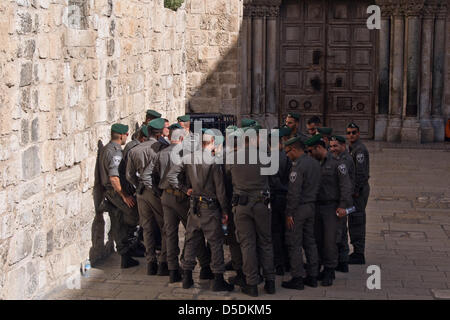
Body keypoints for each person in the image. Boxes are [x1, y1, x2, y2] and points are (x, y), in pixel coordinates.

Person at [142, 127, 212, 283]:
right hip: (182, 197)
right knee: (194, 232)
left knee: (170, 233)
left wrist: (158, 192)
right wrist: (185, 189)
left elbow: (146, 176)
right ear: (181, 139)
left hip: (166, 198)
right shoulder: (184, 154)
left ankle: (172, 269)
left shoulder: (159, 154)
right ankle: (205, 267)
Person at [170, 130, 234, 292]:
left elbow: (172, 176)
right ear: (212, 141)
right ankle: (218, 279)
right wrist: (225, 209)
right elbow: (220, 189)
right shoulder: (213, 162)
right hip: (210, 207)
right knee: (215, 242)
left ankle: (187, 277)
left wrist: (185, 189)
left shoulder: (188, 158)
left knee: (191, 241)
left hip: (194, 206)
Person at [225, 127, 276, 297]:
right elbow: (273, 177)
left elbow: (228, 176)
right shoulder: (265, 157)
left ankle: (251, 283)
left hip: (241, 204)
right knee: (266, 242)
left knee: (247, 245)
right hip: (262, 204)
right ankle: (270, 282)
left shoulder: (232, 158)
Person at [306, 134, 353, 286]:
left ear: (319, 148)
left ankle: (329, 270)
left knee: (330, 241)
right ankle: (320, 266)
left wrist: (343, 206)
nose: (310, 154)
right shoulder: (314, 163)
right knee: (318, 239)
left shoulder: (337, 164)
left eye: (312, 150)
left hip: (332, 207)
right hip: (317, 206)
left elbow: (345, 186)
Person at [126, 118, 167, 276]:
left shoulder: (134, 150)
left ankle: (151, 263)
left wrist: (139, 185)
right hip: (156, 191)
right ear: (158, 134)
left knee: (147, 228)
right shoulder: (161, 148)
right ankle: (163, 261)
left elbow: (129, 175)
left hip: (141, 193)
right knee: (164, 227)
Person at [281, 136, 321, 290]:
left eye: (287, 152)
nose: (286, 155)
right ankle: (312, 275)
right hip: (311, 206)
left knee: (294, 243)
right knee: (310, 241)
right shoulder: (314, 163)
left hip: (298, 209)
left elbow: (293, 193)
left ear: (294, 150)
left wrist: (289, 213)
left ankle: (297, 277)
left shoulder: (298, 167)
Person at [98, 123, 139, 268]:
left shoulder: (106, 149)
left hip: (111, 192)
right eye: (127, 134)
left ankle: (127, 252)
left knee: (120, 220)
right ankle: (126, 250)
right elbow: (114, 177)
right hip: (115, 192)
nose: (127, 137)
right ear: (121, 135)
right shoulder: (115, 152)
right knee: (132, 215)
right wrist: (124, 196)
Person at [329, 135, 355, 273]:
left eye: (335, 146)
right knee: (340, 230)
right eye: (331, 146)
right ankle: (342, 260)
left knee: (340, 231)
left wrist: (344, 204)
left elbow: (346, 185)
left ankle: (342, 261)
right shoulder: (338, 158)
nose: (333, 149)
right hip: (342, 200)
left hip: (344, 201)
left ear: (343, 146)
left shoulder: (345, 160)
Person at [268, 126, 292, 275]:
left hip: (273, 198)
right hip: (286, 197)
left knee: (275, 232)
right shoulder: (288, 157)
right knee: (287, 231)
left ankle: (278, 264)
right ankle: (288, 261)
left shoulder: (267, 157)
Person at [346, 122, 370, 265]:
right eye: (349, 133)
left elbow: (360, 173)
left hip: (359, 192)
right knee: (354, 218)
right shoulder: (353, 148)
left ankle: (359, 252)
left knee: (357, 219)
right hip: (356, 190)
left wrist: (355, 191)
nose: (351, 135)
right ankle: (356, 250)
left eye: (354, 132)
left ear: (359, 133)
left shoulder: (359, 150)